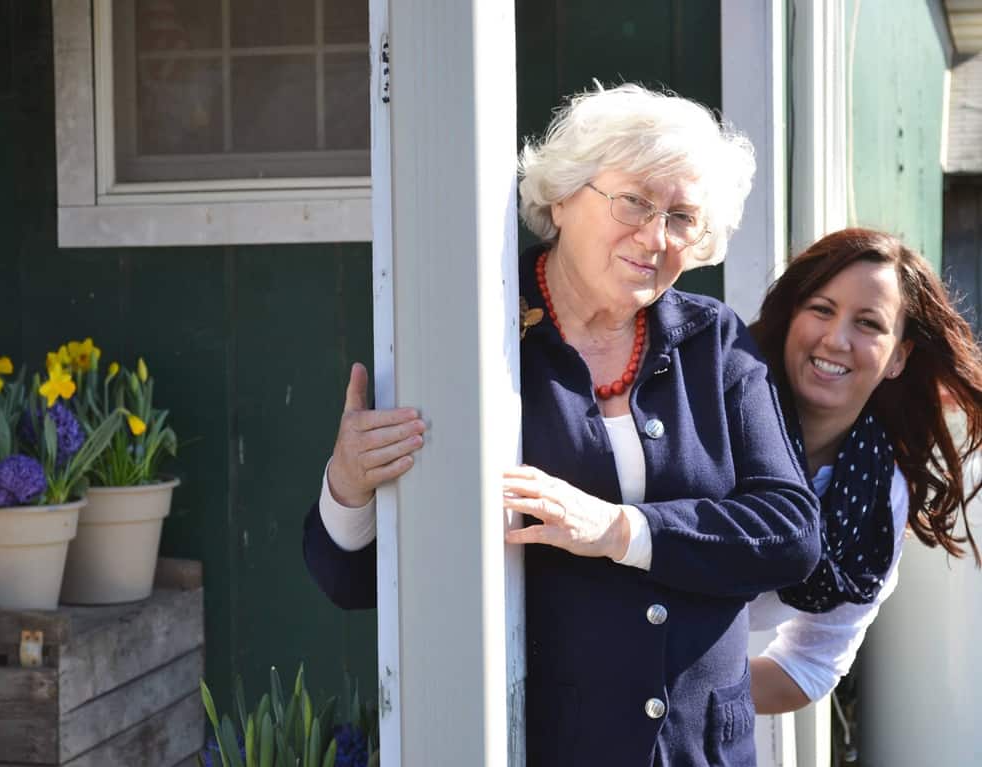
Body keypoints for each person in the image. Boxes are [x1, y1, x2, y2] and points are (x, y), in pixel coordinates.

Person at [303, 83, 823, 765]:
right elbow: (353, 584)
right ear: (562, 195)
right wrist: (349, 485)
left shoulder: (713, 341)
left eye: (681, 217)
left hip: (704, 751)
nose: (655, 236)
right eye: (635, 200)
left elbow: (792, 532)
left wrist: (618, 530)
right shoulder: (476, 344)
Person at [747, 227, 982, 714]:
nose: (836, 339)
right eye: (821, 309)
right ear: (791, 318)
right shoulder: (715, 417)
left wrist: (688, 696)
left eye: (869, 324)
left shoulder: (878, 496)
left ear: (898, 357)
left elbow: (810, 665)